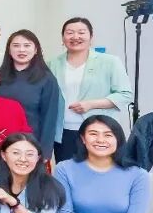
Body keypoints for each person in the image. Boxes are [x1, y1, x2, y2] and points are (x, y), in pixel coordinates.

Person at [48, 17, 134, 163]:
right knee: (67, 172)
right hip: (63, 132)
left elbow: (125, 94)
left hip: (99, 131)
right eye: (70, 33)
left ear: (91, 37)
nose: (75, 36)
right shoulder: (52, 64)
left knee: (101, 171)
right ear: (63, 38)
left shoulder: (109, 62)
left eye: (81, 32)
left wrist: (91, 104)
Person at [0, 30, 61, 161]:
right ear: (9, 50)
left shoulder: (46, 79)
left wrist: (44, 152)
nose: (21, 50)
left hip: (30, 144)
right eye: (16, 45)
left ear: (36, 50)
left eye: (27, 45)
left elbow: (49, 118)